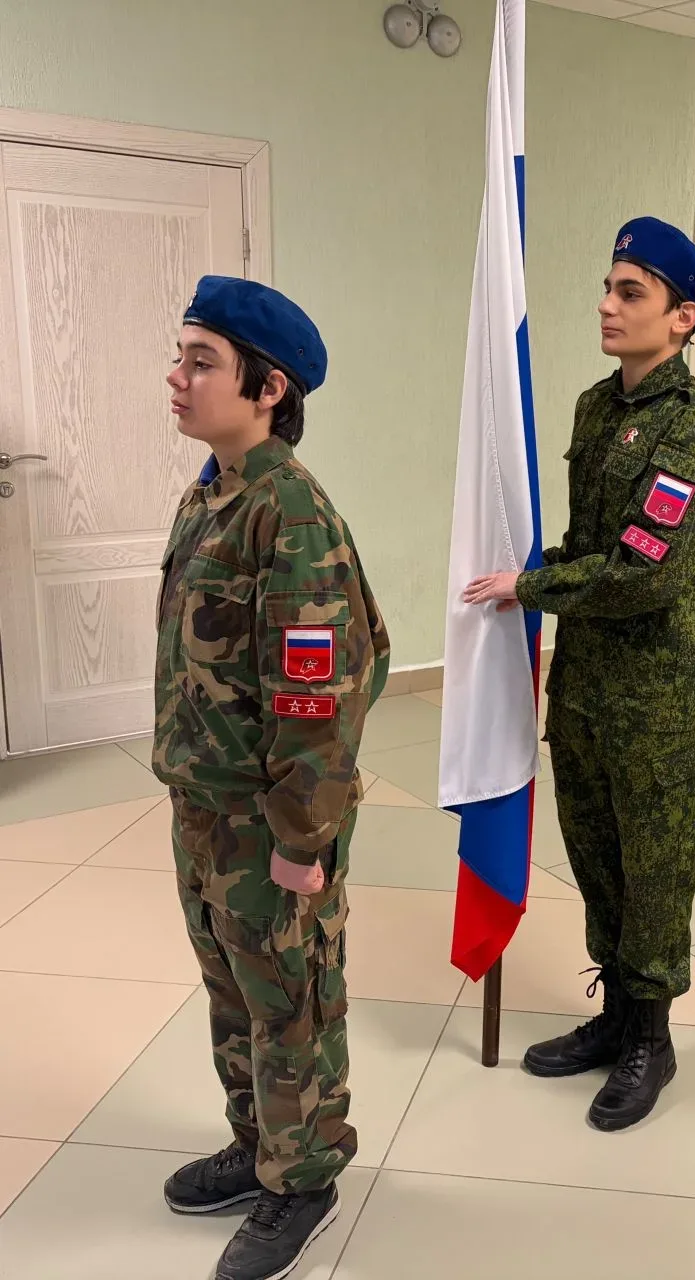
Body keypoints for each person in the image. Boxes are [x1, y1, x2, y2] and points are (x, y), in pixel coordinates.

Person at [464, 217, 695, 1131]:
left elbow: (645, 571)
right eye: (608, 287)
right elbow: (591, 542)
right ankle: (616, 1014)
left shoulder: (692, 432)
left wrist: (532, 585)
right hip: (583, 683)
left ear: (682, 317)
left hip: (651, 697)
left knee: (652, 867)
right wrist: (523, 569)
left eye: (630, 293)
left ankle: (650, 1039)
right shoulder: (596, 407)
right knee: (594, 852)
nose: (606, 305)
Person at [155, 276, 389, 1280]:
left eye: (202, 360)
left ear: (268, 387)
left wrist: (303, 839)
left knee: (291, 998)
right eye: (181, 356)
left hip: (268, 820)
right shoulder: (212, 492)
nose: (178, 376)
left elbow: (318, 699)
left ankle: (304, 1178)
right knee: (233, 988)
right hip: (206, 807)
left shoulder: (289, 514)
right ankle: (258, 1145)